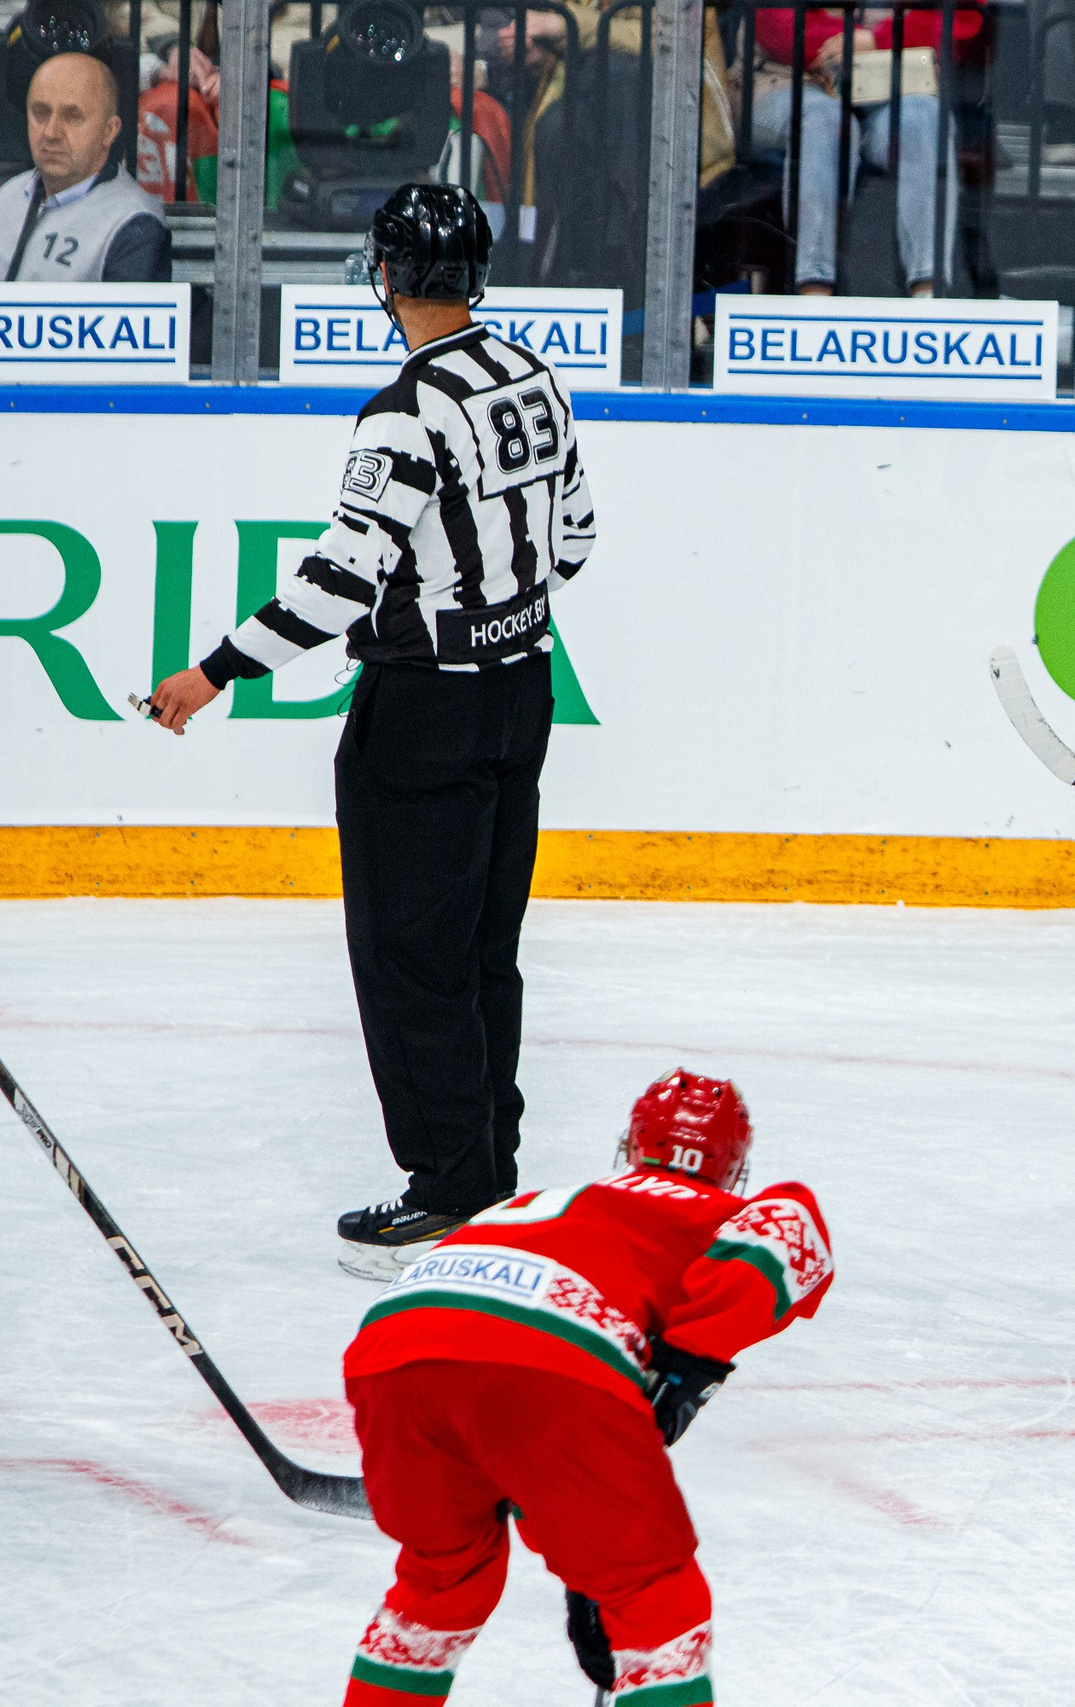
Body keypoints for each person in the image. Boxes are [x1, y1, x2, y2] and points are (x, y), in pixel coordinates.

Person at [141, 183, 597, 1280]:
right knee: (484, 946)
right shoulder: (532, 377)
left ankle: (449, 1189)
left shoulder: (405, 409)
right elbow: (573, 540)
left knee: (410, 955)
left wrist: (211, 675)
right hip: (519, 691)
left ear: (387, 277)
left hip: (425, 712)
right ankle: (487, 1167)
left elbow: (343, 581)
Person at [338, 1070, 834, 1707]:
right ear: (732, 1167)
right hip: (549, 1360)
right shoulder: (721, 1211)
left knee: (441, 1581)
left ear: (632, 1146)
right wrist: (691, 1362)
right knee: (654, 1597)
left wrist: (580, 1554)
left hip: (394, 1346)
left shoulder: (546, 1202)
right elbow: (792, 1226)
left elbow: (512, 1427)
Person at [750, 3, 971, 296]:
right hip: (790, 82)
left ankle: (928, 291)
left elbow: (961, 19)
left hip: (894, 87)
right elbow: (778, 25)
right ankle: (814, 292)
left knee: (923, 119)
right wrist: (857, 40)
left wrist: (878, 41)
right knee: (825, 121)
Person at [1, 50, 170, 281]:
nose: (51, 133)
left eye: (72, 116)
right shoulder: (6, 197)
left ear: (109, 131)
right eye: (41, 113)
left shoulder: (133, 223)